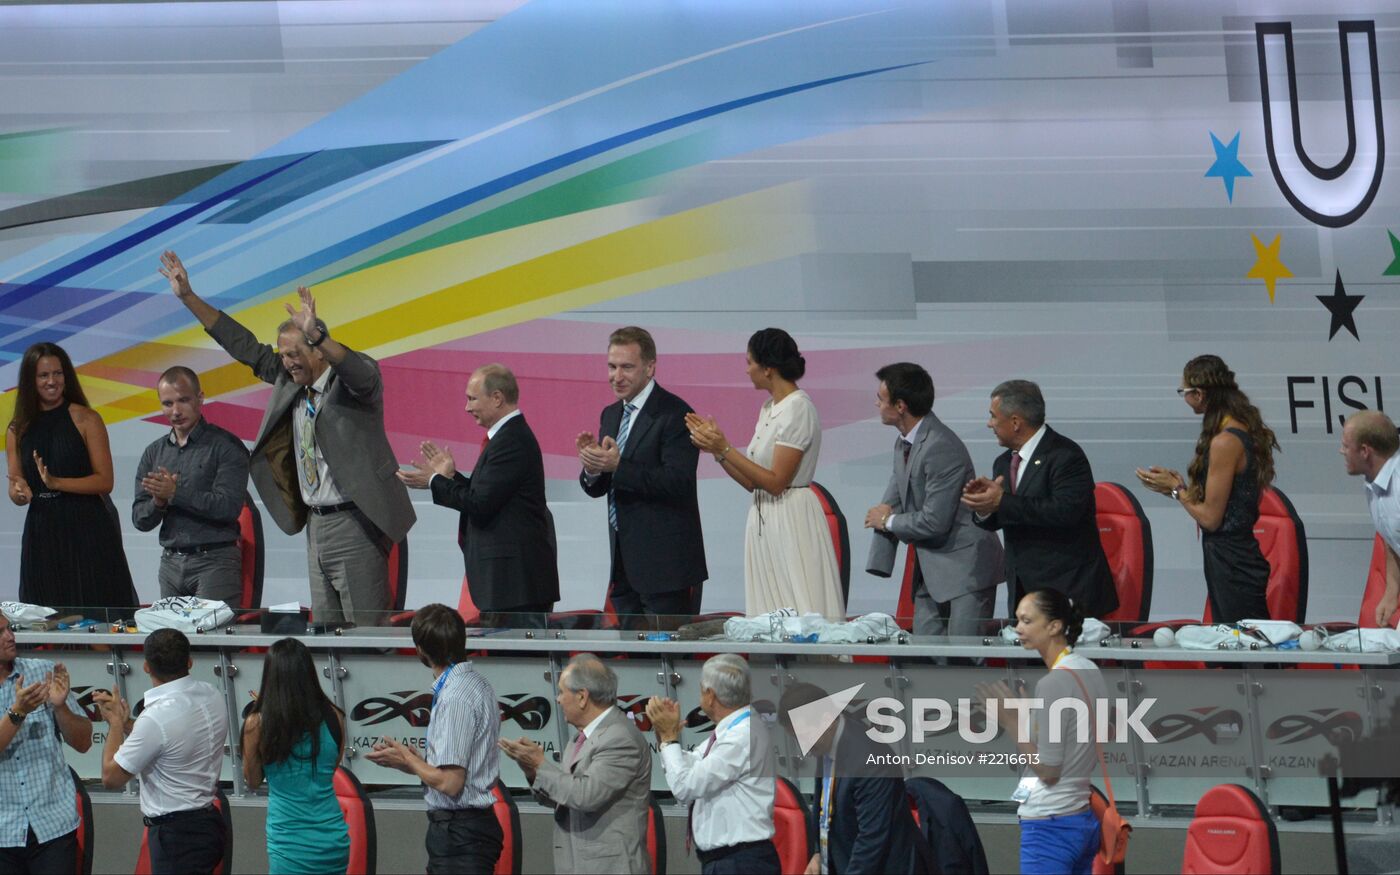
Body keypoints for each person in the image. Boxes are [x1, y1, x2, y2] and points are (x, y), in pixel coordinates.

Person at [160, 250, 415, 626]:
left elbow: (357, 370)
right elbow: (242, 345)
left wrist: (319, 334)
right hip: (315, 524)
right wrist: (188, 298)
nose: (288, 362)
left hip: (355, 522)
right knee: (326, 636)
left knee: (367, 639)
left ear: (319, 352)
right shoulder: (289, 380)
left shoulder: (353, 384)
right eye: (283, 355)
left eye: (296, 353)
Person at [686, 328, 844, 619]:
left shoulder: (799, 408)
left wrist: (726, 447)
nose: (747, 370)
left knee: (800, 605)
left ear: (768, 368)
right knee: (769, 612)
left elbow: (776, 482)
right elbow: (752, 482)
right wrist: (718, 451)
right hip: (764, 518)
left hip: (792, 518)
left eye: (750, 362)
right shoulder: (770, 407)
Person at [398, 364, 559, 627]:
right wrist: (450, 478)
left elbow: (480, 504)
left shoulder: (511, 441)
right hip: (508, 585)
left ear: (497, 398)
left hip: (514, 586)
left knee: (515, 665)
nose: (467, 408)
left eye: (472, 398)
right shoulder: (507, 438)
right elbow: (485, 494)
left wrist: (434, 481)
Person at [577, 326, 707, 622]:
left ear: (650, 368)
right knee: (634, 663)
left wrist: (617, 466)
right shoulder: (611, 414)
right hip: (623, 565)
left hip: (666, 568)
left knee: (667, 659)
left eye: (626, 367)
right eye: (611, 366)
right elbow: (600, 486)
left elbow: (678, 481)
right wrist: (592, 467)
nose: (616, 376)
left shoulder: (675, 414)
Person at [1136, 356, 1278, 623]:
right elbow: (1224, 502)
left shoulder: (1225, 441)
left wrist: (1178, 490)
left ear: (1199, 394)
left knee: (1246, 652)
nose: (1185, 398)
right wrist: (1178, 488)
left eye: (1184, 392)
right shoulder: (1238, 430)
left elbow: (1211, 519)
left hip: (1233, 563)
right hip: (1231, 558)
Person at [866, 363, 1003, 636]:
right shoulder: (903, 442)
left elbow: (934, 520)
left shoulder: (940, 446)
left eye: (881, 399)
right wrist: (880, 559)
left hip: (966, 570)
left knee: (964, 661)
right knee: (929, 656)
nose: (876, 404)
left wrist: (888, 521)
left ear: (901, 405)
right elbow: (892, 500)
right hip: (931, 568)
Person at [977, 589, 1107, 875]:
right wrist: (1032, 721)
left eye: (1026, 621)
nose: (1017, 629)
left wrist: (1012, 723)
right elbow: (1086, 738)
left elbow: (1048, 771)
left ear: (1054, 626)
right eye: (1018, 621)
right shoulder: (1089, 669)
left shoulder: (1053, 684)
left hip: (1050, 825)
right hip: (1080, 819)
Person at [962, 380, 1117, 619]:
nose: (989, 423)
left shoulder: (1065, 456)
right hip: (1023, 590)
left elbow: (1065, 512)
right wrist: (984, 507)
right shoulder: (1003, 462)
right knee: (1025, 658)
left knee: (1064, 658)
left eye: (993, 416)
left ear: (1015, 422)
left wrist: (1002, 501)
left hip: (1067, 589)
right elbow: (1006, 515)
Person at [367, 604, 502, 874]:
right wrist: (413, 762)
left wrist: (408, 758)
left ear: (420, 651)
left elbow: (451, 783)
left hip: (460, 835)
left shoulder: (456, 698)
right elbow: (457, 765)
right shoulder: (475, 683)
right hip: (464, 832)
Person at [6, 341, 137, 610]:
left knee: (95, 613)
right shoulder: (17, 429)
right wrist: (19, 494)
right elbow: (15, 485)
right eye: (43, 375)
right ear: (31, 380)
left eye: (58, 373)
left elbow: (105, 481)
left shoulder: (86, 419)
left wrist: (57, 483)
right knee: (46, 617)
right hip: (41, 532)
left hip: (87, 528)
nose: (52, 381)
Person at [499, 654, 651, 875]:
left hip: (609, 868)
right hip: (577, 863)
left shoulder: (620, 739)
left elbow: (585, 796)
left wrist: (541, 765)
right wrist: (532, 770)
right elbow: (563, 797)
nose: (557, 699)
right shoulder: (579, 738)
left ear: (582, 697)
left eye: (561, 692)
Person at [93, 629, 227, 875]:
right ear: (189, 661)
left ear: (145, 667)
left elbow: (111, 777)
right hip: (210, 824)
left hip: (176, 838)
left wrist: (113, 724)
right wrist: (126, 724)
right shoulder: (212, 693)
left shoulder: (155, 718)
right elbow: (168, 739)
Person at [646, 654, 778, 875]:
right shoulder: (734, 729)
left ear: (710, 695)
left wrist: (670, 739)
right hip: (731, 861)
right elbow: (695, 764)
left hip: (740, 864)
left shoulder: (741, 735)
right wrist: (665, 739)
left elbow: (685, 787)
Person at [132, 366, 251, 606]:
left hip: (215, 561)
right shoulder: (154, 452)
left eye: (183, 400)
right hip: (170, 563)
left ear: (200, 398)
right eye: (167, 404)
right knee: (172, 642)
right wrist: (158, 502)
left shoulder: (226, 446)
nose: (175, 411)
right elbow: (140, 520)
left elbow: (228, 507)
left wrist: (176, 493)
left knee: (210, 640)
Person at [777, 683, 921, 875]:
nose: (801, 746)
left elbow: (871, 839)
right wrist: (820, 854)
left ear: (827, 720)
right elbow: (826, 807)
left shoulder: (869, 759)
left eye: (803, 736)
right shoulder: (826, 741)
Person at [241, 638, 349, 875]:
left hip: (289, 843)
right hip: (333, 840)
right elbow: (330, 769)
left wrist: (263, 712)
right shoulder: (335, 716)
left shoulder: (257, 723)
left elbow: (252, 780)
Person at [0, 616, 92, 875]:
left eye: (10, 629)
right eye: (0, 632)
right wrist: (18, 711)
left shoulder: (42, 672)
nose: (10, 637)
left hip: (52, 827)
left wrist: (61, 707)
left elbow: (83, 742)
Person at [1341, 410, 1400, 626]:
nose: (1341, 451)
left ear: (1365, 451)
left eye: (1346, 446)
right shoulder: (1374, 483)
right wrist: (1391, 593)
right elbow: (1393, 539)